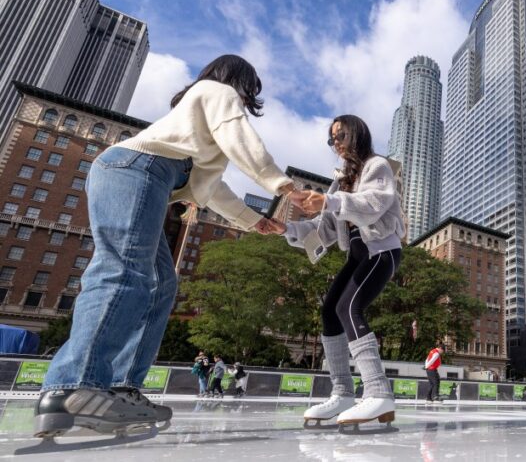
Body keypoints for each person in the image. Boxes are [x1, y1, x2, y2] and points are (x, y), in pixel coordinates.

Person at [33, 54, 296, 441]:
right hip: (138, 170)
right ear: (238, 81)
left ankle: (121, 389)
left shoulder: (195, 133)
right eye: (248, 91)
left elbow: (212, 191)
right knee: (124, 271)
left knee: (160, 285)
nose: (245, 101)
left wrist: (254, 220)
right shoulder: (216, 91)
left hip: (136, 175)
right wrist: (281, 184)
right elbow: (239, 136)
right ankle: (73, 386)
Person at [263, 114, 405, 429]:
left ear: (356, 133)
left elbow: (373, 204)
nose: (335, 144)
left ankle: (379, 392)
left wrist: (328, 200)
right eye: (331, 139)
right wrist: (285, 227)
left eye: (339, 135)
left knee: (349, 307)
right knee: (330, 312)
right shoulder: (340, 181)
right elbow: (324, 230)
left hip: (381, 250)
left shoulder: (376, 166)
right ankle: (342, 393)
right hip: (357, 254)